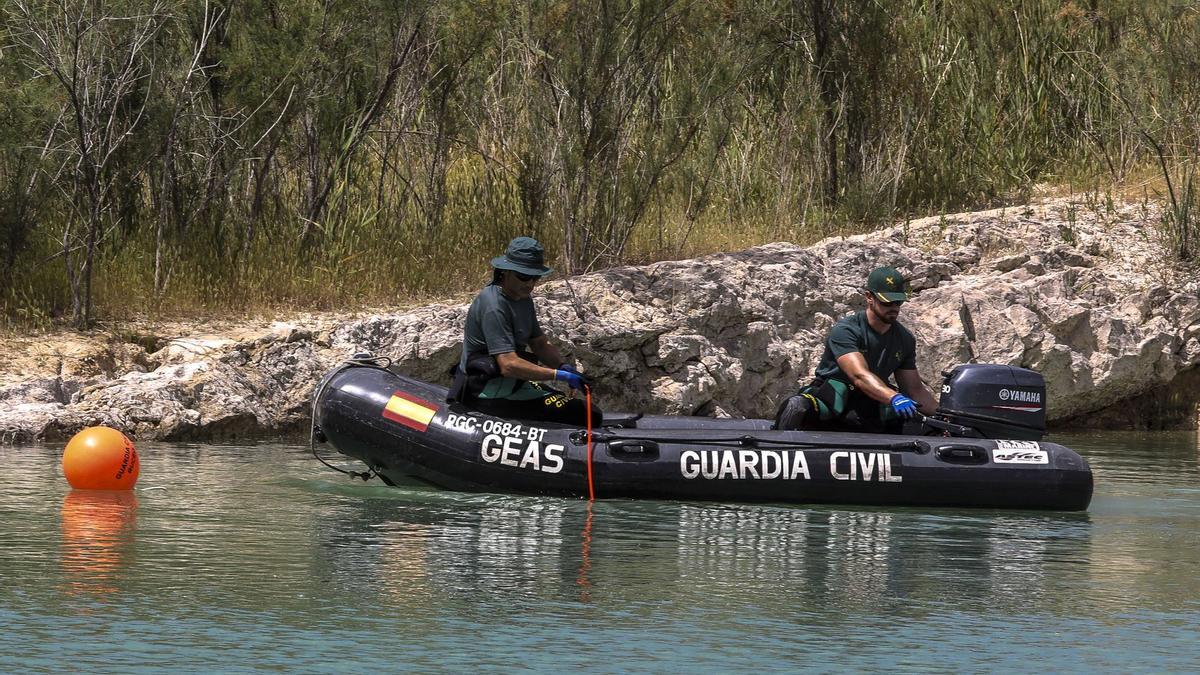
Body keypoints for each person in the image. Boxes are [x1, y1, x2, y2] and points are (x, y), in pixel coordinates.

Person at [448, 236, 602, 426]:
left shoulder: (523, 298)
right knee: (588, 414)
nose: (530, 284)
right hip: (485, 391)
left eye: (535, 277)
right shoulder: (493, 305)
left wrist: (563, 366)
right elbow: (508, 365)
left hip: (512, 384)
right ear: (505, 272)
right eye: (523, 276)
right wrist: (557, 375)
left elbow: (539, 344)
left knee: (570, 403)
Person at [775, 266, 937, 433]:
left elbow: (914, 390)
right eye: (887, 302)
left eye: (898, 302)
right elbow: (859, 376)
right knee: (796, 407)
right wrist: (893, 397)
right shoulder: (847, 330)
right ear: (869, 297)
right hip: (834, 400)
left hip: (870, 405)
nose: (894, 307)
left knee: (922, 423)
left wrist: (945, 416)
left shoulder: (905, 339)